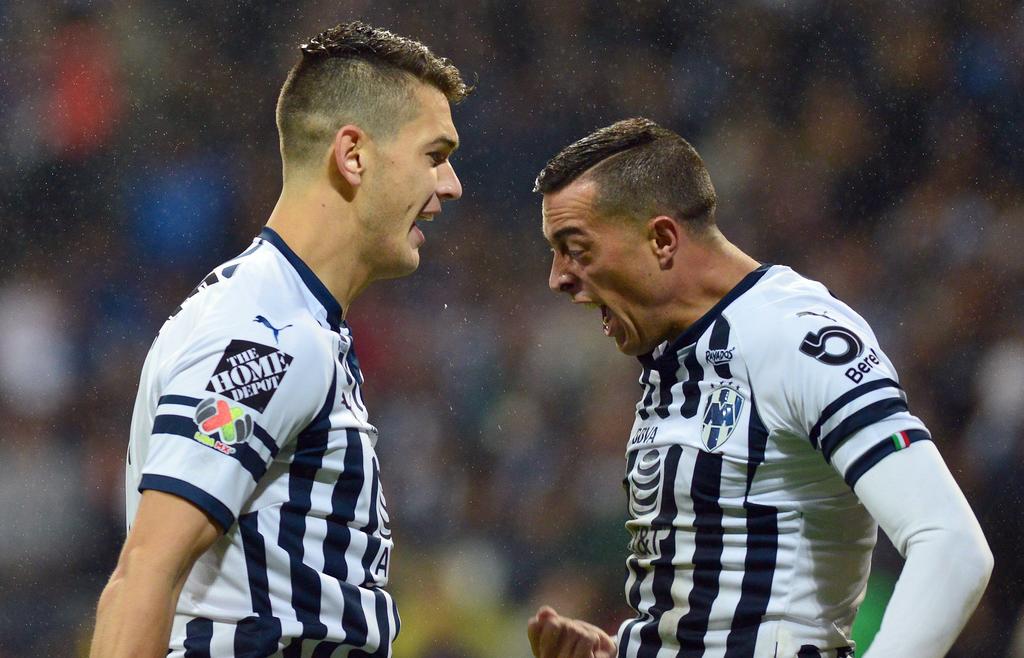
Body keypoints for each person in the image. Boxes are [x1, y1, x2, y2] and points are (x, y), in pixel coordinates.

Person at [527, 118, 992, 658]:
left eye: (576, 248)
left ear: (662, 239)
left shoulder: (796, 336)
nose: (558, 278)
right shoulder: (673, 356)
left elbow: (951, 545)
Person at [89, 22, 467, 657]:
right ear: (353, 155)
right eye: (434, 155)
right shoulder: (263, 334)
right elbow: (145, 570)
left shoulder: (293, 321)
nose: (450, 184)